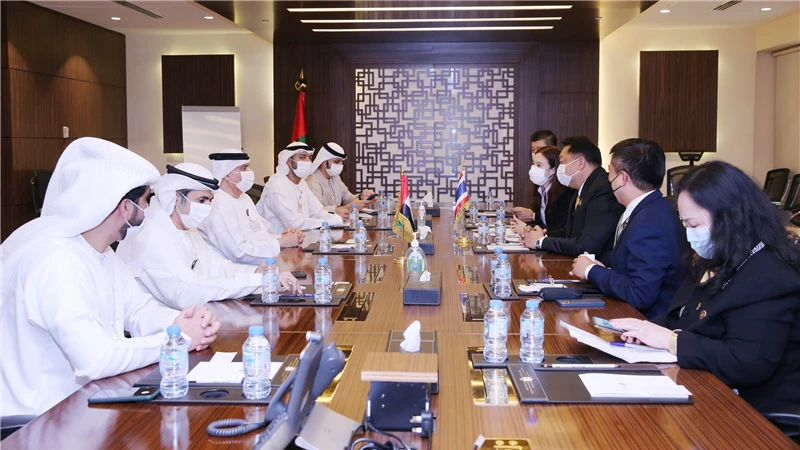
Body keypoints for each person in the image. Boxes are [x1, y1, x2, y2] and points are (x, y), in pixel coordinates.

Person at [1, 138, 221, 416]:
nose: (148, 210)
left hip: (89, 402)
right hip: (42, 421)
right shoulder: (55, 260)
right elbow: (95, 359)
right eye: (146, 200)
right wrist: (178, 341)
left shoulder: (102, 252)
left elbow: (139, 309)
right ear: (125, 207)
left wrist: (185, 324)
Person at [611, 161, 800, 415]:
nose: (689, 235)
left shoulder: (770, 276)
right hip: (708, 383)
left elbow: (747, 363)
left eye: (695, 225)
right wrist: (642, 331)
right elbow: (683, 316)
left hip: (755, 408)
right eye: (684, 225)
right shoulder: (715, 257)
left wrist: (671, 340)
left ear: (730, 218)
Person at [116, 163, 301, 310]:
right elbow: (187, 291)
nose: (207, 207)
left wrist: (256, 274)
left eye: (210, 200)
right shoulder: (151, 235)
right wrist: (256, 281)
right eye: (201, 200)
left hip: (195, 317)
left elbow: (217, 267)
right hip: (160, 331)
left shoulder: (186, 226)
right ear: (176, 197)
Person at [569, 139, 686, 319]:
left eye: (610, 171)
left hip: (646, 322)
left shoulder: (648, 223)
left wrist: (590, 271)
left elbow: (640, 294)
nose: (608, 178)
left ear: (622, 178)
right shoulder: (651, 209)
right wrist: (603, 272)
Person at [522, 136, 624, 265]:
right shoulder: (584, 187)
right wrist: (542, 235)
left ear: (580, 163)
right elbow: (571, 232)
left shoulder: (602, 190)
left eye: (562, 162)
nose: (560, 168)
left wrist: (540, 242)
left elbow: (586, 245)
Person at [198, 149, 303, 265]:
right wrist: (281, 242)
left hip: (262, 265)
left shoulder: (244, 197)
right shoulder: (216, 204)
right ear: (227, 175)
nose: (250, 171)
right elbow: (239, 252)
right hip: (239, 271)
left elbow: (260, 234)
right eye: (243, 168)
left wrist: (288, 237)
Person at [257, 142, 347, 233]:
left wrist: (336, 218)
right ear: (289, 162)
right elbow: (295, 224)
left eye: (309, 157)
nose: (308, 161)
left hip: (302, 238)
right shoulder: (276, 186)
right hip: (278, 240)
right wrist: (330, 222)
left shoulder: (302, 184)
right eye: (302, 157)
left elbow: (317, 212)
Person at [512, 145, 574, 238]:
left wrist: (526, 227)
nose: (533, 168)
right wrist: (524, 225)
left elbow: (562, 230)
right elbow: (543, 224)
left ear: (553, 170)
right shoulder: (541, 191)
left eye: (539, 165)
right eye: (533, 164)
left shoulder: (565, 194)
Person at [306, 142, 376, 214]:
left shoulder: (336, 177)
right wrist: (349, 207)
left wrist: (361, 197)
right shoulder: (312, 182)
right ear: (324, 163)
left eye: (341, 161)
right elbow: (319, 211)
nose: (341, 165)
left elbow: (348, 198)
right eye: (337, 161)